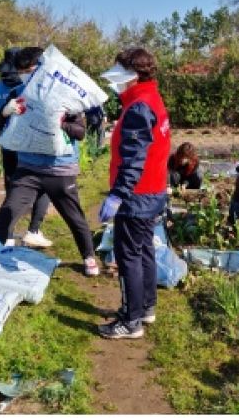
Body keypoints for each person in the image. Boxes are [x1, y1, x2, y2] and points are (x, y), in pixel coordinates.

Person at [0, 47, 99, 277]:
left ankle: (89, 257)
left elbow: (79, 132)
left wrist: (62, 123)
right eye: (21, 72)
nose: (25, 76)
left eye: (28, 71)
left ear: (42, 70)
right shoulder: (18, 93)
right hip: (27, 168)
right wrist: (7, 112)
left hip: (60, 168)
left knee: (73, 215)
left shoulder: (64, 96)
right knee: (9, 210)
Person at [97, 47, 171, 339]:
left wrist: (118, 194)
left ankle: (131, 321)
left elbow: (133, 159)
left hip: (137, 196)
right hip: (152, 191)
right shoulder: (151, 98)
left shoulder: (139, 107)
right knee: (145, 251)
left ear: (131, 76)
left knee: (128, 256)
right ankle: (146, 307)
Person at [0, 47, 52, 248]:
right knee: (38, 187)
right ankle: (27, 230)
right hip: (22, 147)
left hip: (14, 146)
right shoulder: (23, 89)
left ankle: (15, 233)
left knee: (15, 189)